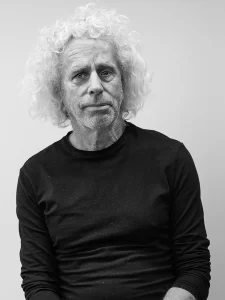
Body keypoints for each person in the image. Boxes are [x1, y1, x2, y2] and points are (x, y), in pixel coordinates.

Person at [16, 3, 211, 300]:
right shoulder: (35, 175)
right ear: (59, 93)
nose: (95, 86)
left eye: (106, 71)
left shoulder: (171, 158)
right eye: (80, 75)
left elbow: (194, 268)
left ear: (124, 82)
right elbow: (38, 282)